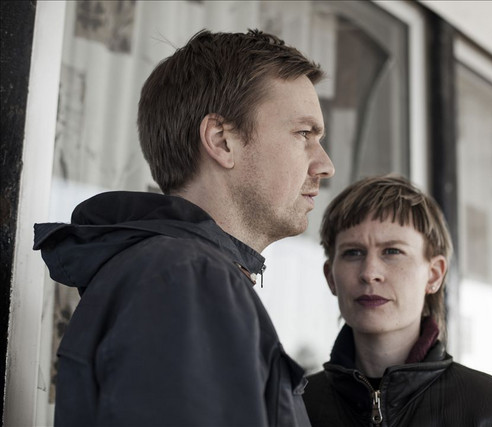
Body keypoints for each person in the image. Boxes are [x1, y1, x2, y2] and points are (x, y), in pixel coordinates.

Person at [34, 29, 334, 426]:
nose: (325, 165)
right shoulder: (187, 276)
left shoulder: (172, 271)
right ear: (221, 141)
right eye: (304, 134)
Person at [303, 175, 492, 426]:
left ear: (434, 274)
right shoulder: (294, 407)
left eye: (392, 251)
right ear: (330, 277)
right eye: (353, 252)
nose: (369, 272)